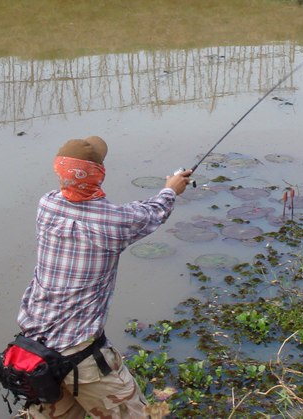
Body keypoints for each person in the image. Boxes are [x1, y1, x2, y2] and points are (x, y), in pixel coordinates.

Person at [15, 135, 193, 419]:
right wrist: (170, 189)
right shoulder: (115, 221)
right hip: (83, 359)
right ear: (98, 174)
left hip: (36, 352)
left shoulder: (46, 205)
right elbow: (153, 212)